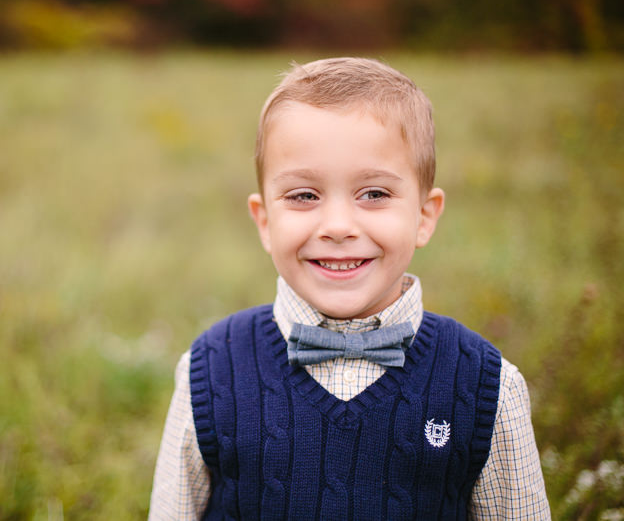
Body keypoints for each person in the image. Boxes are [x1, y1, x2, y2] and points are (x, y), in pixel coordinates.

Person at [148, 57, 550, 520]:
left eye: (374, 194)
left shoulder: (486, 384)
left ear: (424, 216)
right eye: (304, 196)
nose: (338, 226)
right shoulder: (210, 367)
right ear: (264, 221)